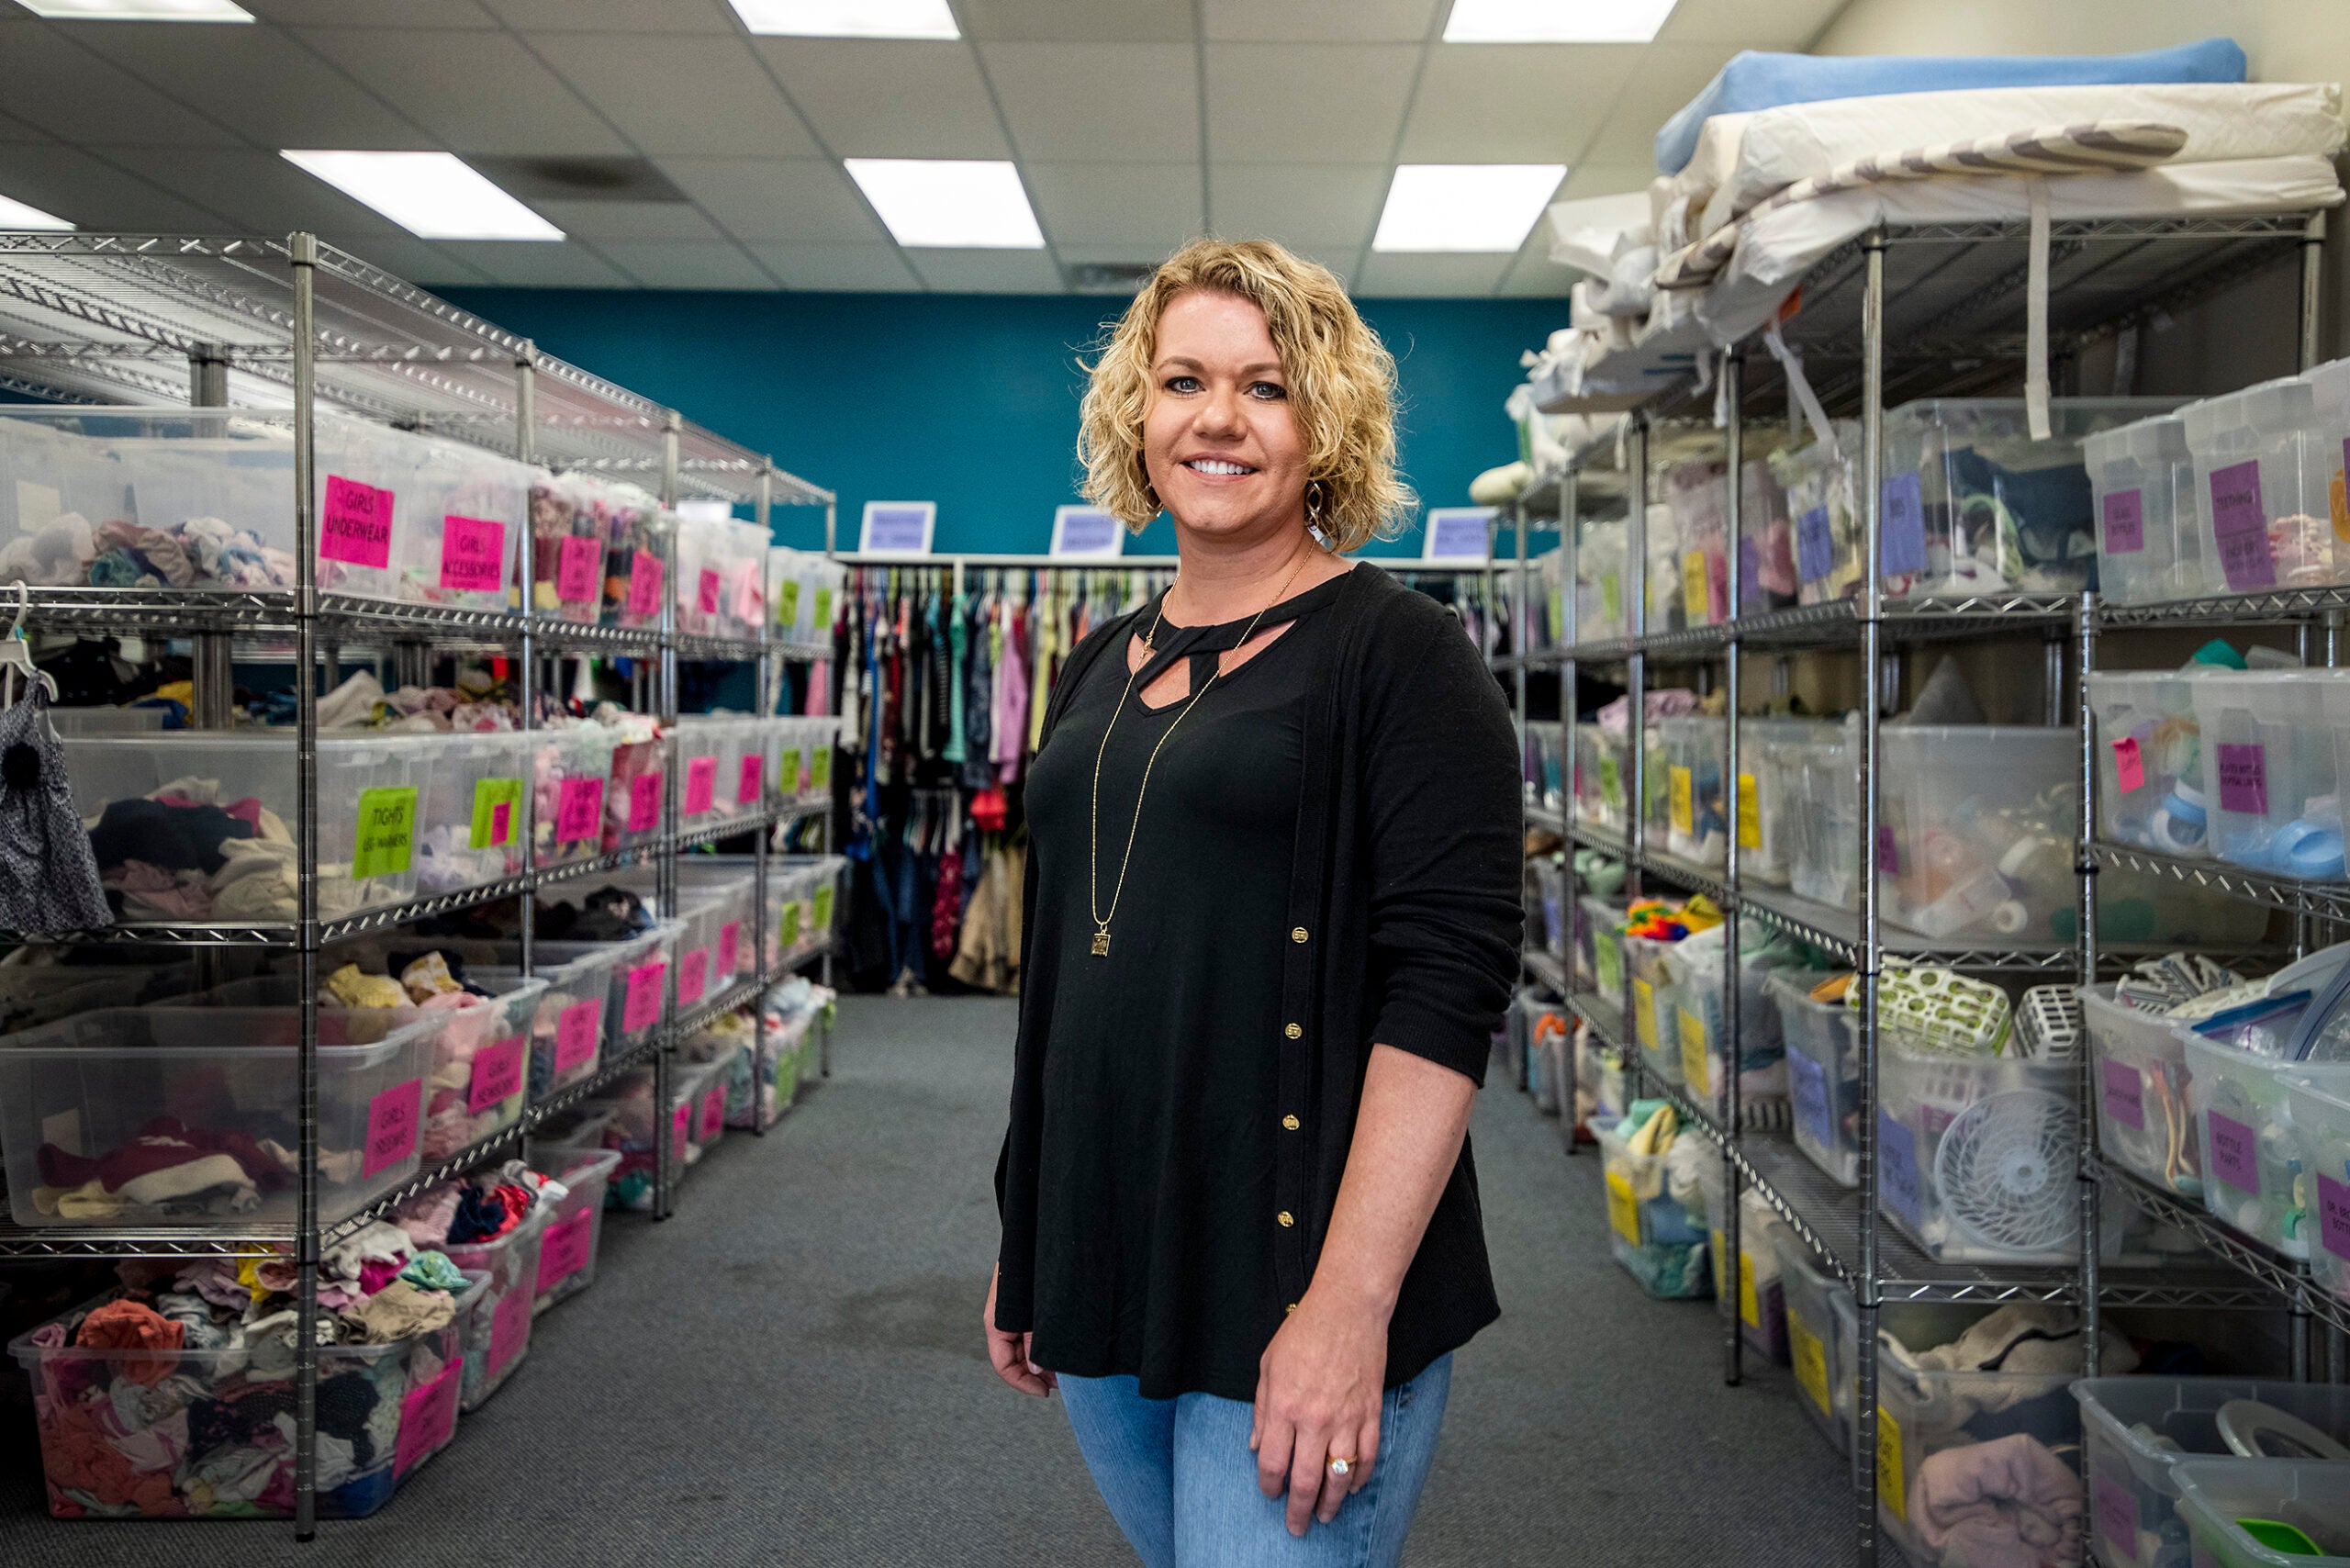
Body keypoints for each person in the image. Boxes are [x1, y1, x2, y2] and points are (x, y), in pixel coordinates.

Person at [984, 236, 1523, 1567]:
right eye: (1182, 382)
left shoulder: (1404, 658)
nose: (1216, 419)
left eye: (1265, 387)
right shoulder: (1101, 659)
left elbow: (1446, 993)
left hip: (1291, 1271)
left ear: (1325, 422)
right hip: (1108, 1249)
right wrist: (1027, 1229)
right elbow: (1064, 965)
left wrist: (1350, 1304)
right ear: (1138, 413)